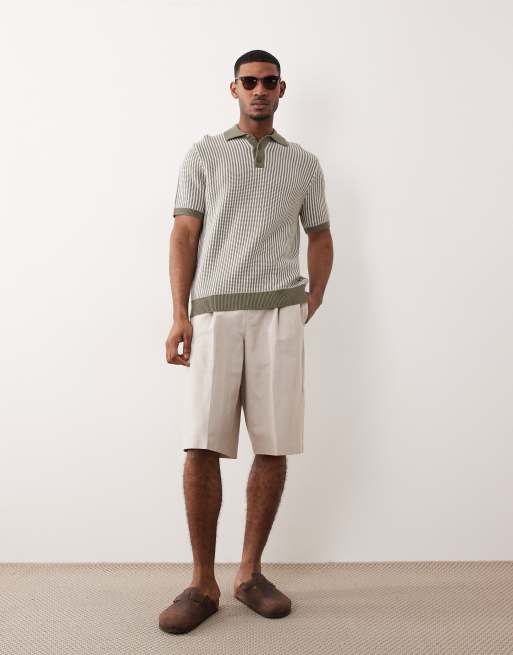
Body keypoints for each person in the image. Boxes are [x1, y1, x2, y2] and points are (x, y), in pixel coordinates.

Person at [160, 49, 334, 634]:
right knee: (201, 445)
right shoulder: (204, 154)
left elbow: (321, 234)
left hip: (279, 314)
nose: (259, 90)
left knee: (273, 444)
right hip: (213, 312)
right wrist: (179, 315)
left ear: (282, 90)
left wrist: (312, 297)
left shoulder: (303, 163)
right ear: (233, 88)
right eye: (249, 81)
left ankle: (250, 574)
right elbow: (184, 234)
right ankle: (201, 583)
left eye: (269, 82)